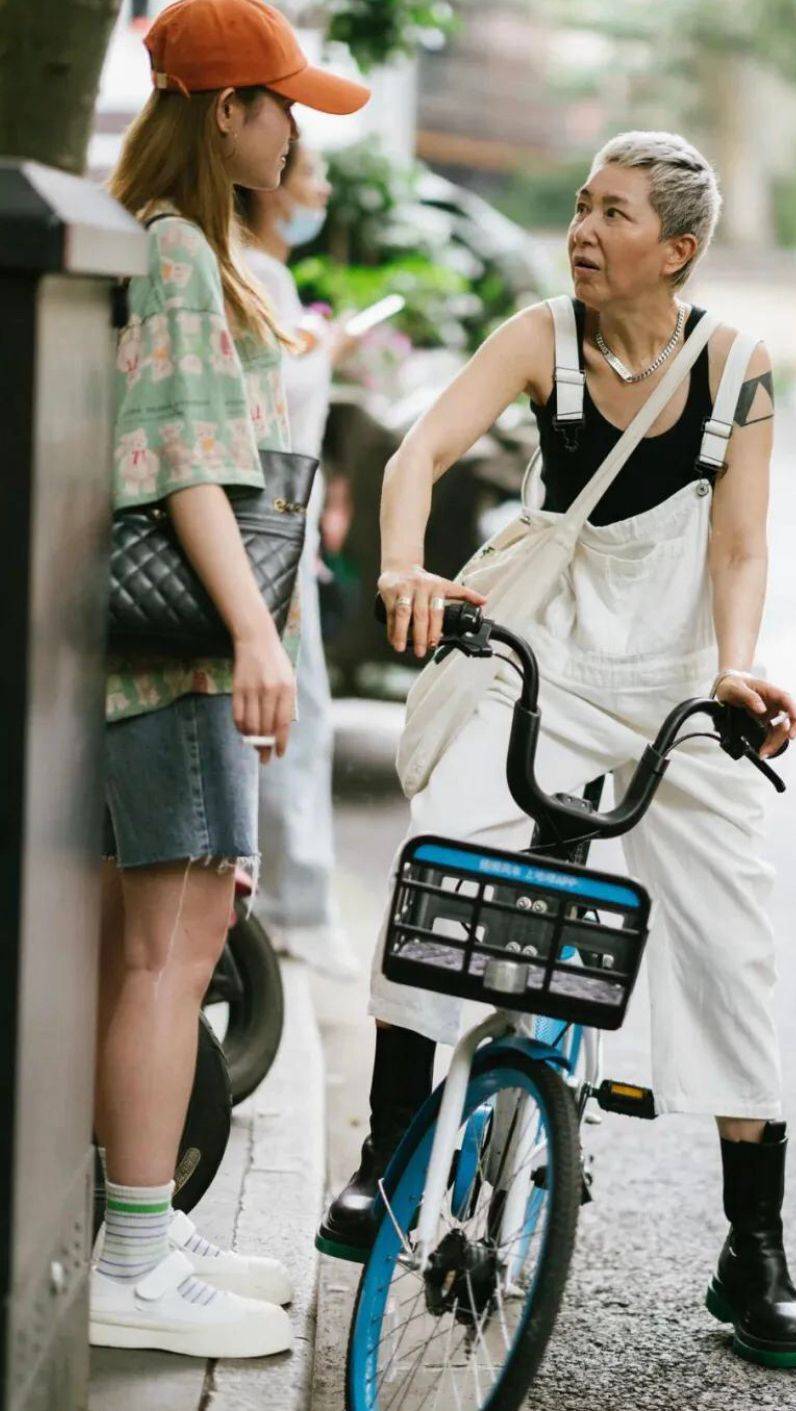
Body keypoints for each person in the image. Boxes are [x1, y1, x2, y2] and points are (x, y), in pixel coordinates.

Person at [319, 131, 796, 1370]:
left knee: (731, 937)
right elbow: (419, 451)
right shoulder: (538, 336)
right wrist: (400, 563)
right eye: (580, 204)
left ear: (678, 249)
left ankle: (751, 1249)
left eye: (613, 214)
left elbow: (741, 545)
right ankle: (386, 1159)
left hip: (674, 681)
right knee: (447, 858)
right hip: (531, 652)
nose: (582, 230)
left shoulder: (732, 367)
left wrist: (732, 668)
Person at [94, 0, 367, 1359]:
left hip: (161, 652)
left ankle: (143, 1225)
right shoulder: (183, 255)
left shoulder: (158, 241)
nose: (294, 127)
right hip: (186, 649)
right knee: (170, 948)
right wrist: (259, 640)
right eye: (282, 103)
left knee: (157, 943)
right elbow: (188, 459)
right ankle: (136, 1248)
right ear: (224, 111)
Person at [238, 143, 361, 979]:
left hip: (285, 525)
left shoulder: (262, 273)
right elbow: (275, 402)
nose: (318, 191)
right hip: (272, 529)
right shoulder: (256, 274)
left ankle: (288, 901)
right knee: (294, 713)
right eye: (310, 174)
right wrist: (328, 349)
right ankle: (291, 908)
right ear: (274, 190)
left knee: (294, 711)